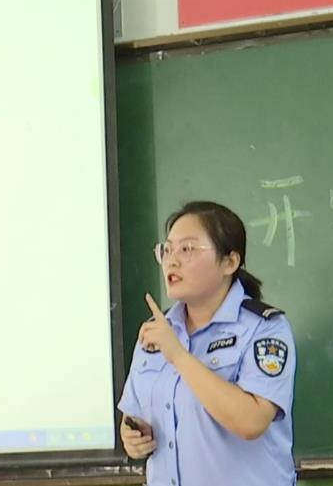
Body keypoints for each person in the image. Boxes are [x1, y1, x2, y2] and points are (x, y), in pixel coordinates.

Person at [117, 201, 296, 486]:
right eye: (167, 250)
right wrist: (133, 438)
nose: (172, 261)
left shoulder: (265, 329)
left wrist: (179, 356)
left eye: (187, 249)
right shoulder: (157, 330)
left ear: (229, 262)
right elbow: (134, 415)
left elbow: (251, 422)